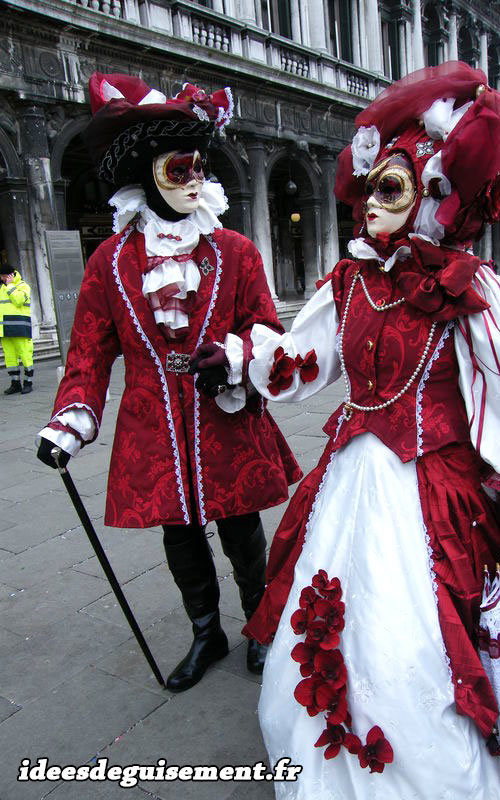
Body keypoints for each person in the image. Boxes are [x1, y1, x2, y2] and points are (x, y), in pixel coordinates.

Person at [193, 63, 500, 799]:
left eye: (392, 188)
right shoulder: (348, 282)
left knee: (428, 628)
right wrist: (238, 359)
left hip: (436, 482)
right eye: (369, 187)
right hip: (354, 473)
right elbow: (301, 360)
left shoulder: (466, 286)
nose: (371, 205)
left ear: (435, 195)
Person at [35, 73, 301, 691]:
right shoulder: (110, 263)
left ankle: (261, 628)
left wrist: (238, 356)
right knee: (180, 533)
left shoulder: (235, 251)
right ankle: (205, 632)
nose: (195, 181)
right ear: (146, 172)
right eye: (179, 169)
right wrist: (70, 422)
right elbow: (88, 353)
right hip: (154, 418)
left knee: (240, 527)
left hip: (224, 413)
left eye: (199, 169)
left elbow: (266, 326)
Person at [0, 265, 34, 394]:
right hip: (5, 329)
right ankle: (15, 384)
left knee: (25, 355)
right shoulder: (2, 288)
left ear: (12, 275)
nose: (3, 279)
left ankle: (28, 382)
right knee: (10, 358)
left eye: (5, 276)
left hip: (20, 327)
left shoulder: (23, 286)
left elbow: (19, 300)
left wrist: (10, 286)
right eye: (2, 277)